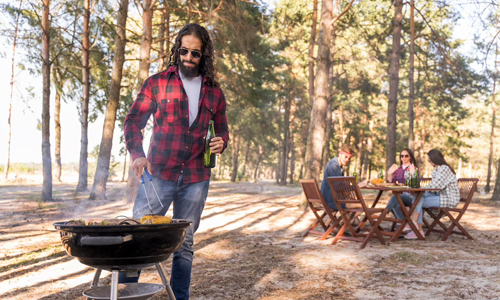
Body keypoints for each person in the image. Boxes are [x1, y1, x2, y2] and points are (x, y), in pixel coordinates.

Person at [123, 23, 229, 300]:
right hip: (157, 174)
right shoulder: (157, 83)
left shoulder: (215, 92)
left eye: (195, 53)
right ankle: (124, 294)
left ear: (203, 55)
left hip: (196, 177)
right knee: (137, 236)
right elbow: (134, 121)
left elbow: (223, 129)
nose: (188, 58)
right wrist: (138, 155)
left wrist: (222, 141)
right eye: (184, 51)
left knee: (185, 243)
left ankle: (179, 297)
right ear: (176, 50)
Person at [404, 149, 460, 239]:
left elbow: (437, 186)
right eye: (428, 160)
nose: (429, 162)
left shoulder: (444, 168)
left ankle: (415, 226)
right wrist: (419, 190)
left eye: (429, 160)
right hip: (439, 196)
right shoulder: (436, 170)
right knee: (418, 196)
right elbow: (434, 187)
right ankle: (417, 228)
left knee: (418, 200)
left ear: (435, 159)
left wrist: (421, 189)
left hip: (448, 198)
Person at [385, 148, 419, 231]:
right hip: (399, 195)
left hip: (411, 196)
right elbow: (391, 183)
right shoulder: (398, 170)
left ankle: (384, 214)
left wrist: (412, 174)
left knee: (396, 196)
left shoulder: (414, 169)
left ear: (410, 157)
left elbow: (416, 186)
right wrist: (389, 173)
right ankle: (404, 224)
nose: (404, 158)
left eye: (406, 156)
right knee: (396, 201)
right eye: (402, 156)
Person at [320, 146, 356, 210]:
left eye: (349, 158)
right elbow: (339, 186)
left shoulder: (336, 165)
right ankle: (346, 220)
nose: (347, 159)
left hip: (332, 199)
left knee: (353, 204)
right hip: (331, 201)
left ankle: (346, 219)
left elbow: (340, 184)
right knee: (362, 205)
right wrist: (355, 186)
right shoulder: (334, 166)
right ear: (340, 154)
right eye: (346, 157)